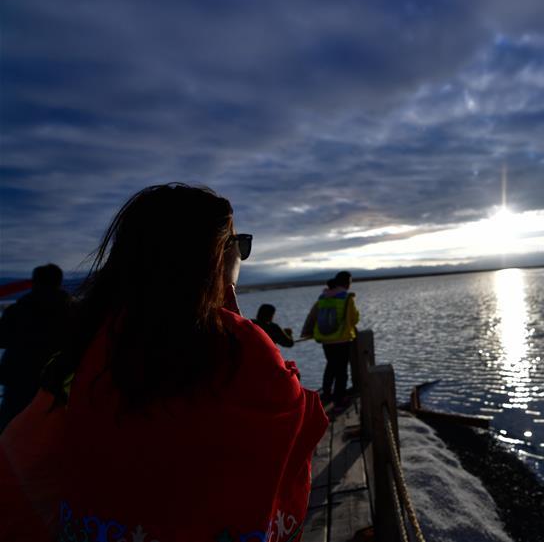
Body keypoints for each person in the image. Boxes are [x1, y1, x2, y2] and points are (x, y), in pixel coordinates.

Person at [0, 183, 328, 541]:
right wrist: (235, 321)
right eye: (238, 244)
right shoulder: (237, 346)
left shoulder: (94, 343)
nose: (240, 255)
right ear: (215, 254)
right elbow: (292, 416)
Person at [0, 264, 72, 432]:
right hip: (58, 383)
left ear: (35, 282)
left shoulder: (17, 311)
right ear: (59, 282)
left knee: (11, 430)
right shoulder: (73, 311)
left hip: (18, 380)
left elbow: (2, 338)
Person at [301, 271, 359, 405]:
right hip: (342, 340)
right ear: (346, 283)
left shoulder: (323, 297)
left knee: (331, 367)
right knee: (342, 371)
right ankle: (340, 398)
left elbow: (312, 315)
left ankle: (326, 395)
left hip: (326, 340)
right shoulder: (347, 298)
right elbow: (354, 318)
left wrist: (307, 332)